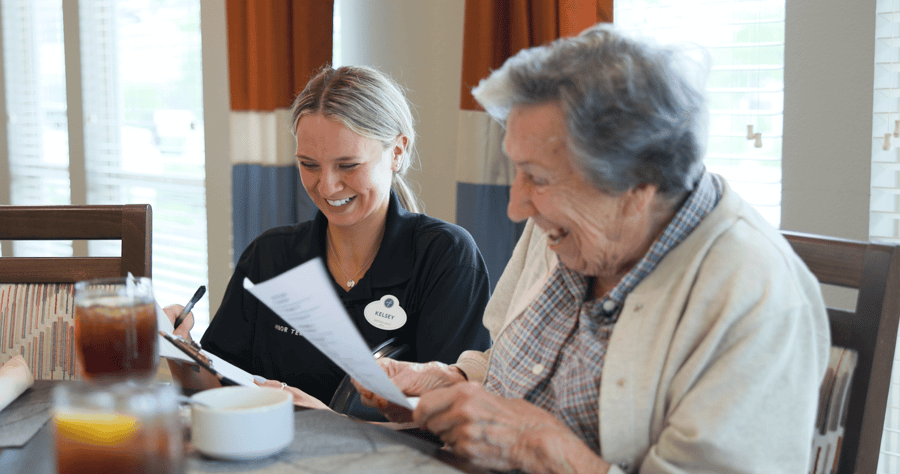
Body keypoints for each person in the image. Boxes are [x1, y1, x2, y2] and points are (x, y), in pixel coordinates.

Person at [354, 24, 830, 473]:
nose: (517, 207)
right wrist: (453, 382)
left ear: (636, 188)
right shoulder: (571, 230)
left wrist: (537, 447)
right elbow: (512, 365)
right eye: (517, 171)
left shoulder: (756, 299)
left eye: (537, 179)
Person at [165, 65, 492, 410]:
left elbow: (450, 422)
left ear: (396, 152)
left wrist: (328, 422)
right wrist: (179, 348)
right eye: (309, 165)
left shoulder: (445, 257)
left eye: (348, 165)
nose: (327, 186)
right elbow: (217, 395)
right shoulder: (269, 256)